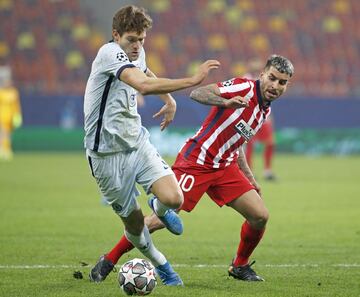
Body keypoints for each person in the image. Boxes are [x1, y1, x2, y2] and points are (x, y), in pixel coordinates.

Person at [89, 54, 294, 283]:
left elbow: (237, 142)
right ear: (263, 74)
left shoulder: (263, 109)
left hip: (224, 166)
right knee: (157, 221)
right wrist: (224, 101)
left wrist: (249, 177)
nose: (275, 86)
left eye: (282, 82)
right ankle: (108, 260)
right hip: (197, 161)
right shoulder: (243, 87)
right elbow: (198, 93)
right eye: (273, 78)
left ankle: (239, 265)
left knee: (260, 216)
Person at [84, 5, 220, 286]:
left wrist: (169, 99)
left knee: (175, 199)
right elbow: (142, 84)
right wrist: (193, 80)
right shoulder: (109, 54)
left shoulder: (137, 52)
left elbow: (146, 71)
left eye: (141, 40)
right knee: (134, 225)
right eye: (131, 40)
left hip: (137, 143)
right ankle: (163, 264)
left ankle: (158, 206)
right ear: (116, 35)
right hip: (105, 155)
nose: (137, 46)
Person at [245, 115, 277, 180]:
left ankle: (267, 171)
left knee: (270, 144)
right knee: (249, 145)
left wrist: (269, 117)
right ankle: (248, 172)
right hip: (247, 118)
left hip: (262, 117)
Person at [0, 66, 22, 161]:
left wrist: (17, 115)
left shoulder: (14, 92)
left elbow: (16, 105)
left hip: (11, 116)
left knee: (8, 134)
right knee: (3, 133)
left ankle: (7, 149)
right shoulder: (1, 92)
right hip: (2, 115)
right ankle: (2, 150)